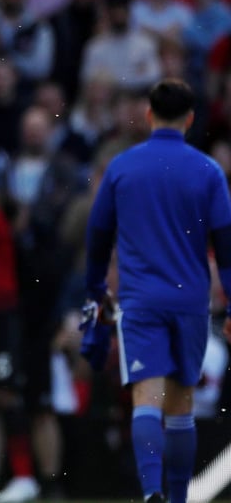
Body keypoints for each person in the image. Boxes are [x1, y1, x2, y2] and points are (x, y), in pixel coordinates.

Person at [86, 78, 231, 503]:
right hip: (189, 301)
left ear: (149, 115)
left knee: (146, 398)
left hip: (140, 298)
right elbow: (226, 246)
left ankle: (151, 491)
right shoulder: (208, 171)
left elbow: (97, 234)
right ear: (189, 119)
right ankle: (179, 496)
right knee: (181, 404)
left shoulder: (122, 166)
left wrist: (97, 287)